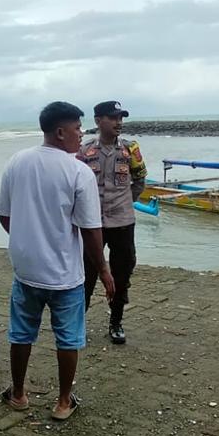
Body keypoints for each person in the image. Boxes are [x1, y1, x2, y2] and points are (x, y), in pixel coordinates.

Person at [0, 101, 114, 420]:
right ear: (60, 132)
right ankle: (63, 401)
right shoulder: (78, 171)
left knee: (21, 333)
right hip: (65, 274)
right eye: (77, 128)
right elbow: (91, 229)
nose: (81, 133)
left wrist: (26, 239)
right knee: (68, 338)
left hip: (26, 270)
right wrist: (103, 269)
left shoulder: (17, 161)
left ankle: (18, 393)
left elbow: (4, 214)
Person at [77, 101, 147, 345]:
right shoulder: (84, 151)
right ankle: (77, 323)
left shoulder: (130, 149)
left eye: (121, 118)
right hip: (92, 224)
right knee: (86, 274)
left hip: (123, 223)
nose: (119, 122)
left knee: (122, 273)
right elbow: (75, 185)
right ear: (98, 121)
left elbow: (140, 181)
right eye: (113, 118)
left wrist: (124, 203)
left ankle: (116, 321)